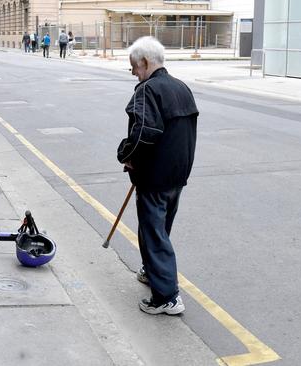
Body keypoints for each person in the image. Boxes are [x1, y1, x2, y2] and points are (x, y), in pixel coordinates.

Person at [116, 36, 198, 315]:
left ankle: (167, 297)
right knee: (160, 230)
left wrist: (126, 155)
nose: (134, 74)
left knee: (153, 233)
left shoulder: (147, 90)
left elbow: (143, 133)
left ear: (145, 62)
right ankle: (153, 271)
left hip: (154, 176)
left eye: (134, 68)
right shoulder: (181, 88)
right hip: (177, 175)